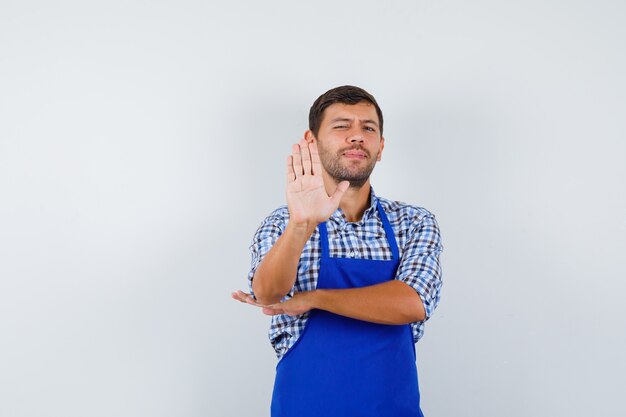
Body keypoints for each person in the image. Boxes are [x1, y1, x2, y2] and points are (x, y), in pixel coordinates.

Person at [232, 85, 443, 417]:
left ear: (381, 146)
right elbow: (268, 292)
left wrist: (315, 298)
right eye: (342, 125)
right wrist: (301, 224)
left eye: (368, 128)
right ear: (312, 140)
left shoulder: (414, 222)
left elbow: (412, 303)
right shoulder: (282, 222)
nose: (357, 137)